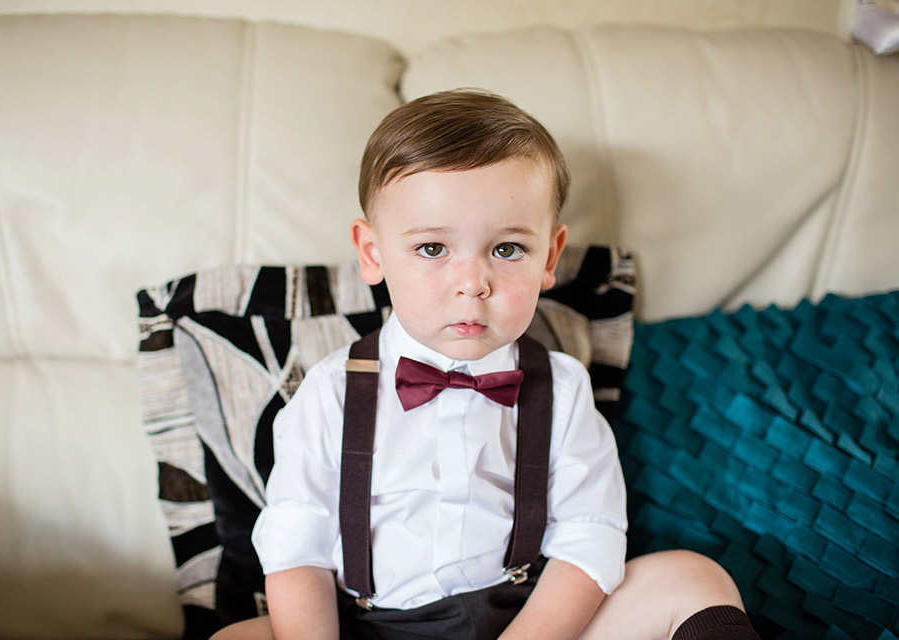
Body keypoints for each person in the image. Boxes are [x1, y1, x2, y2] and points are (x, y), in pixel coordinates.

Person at [213, 89, 760, 640]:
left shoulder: (563, 388)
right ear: (373, 253)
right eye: (432, 249)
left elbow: (589, 536)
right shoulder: (330, 391)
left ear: (549, 256)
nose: (473, 283)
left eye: (507, 249)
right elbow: (295, 550)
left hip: (525, 621)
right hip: (369, 627)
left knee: (692, 577)